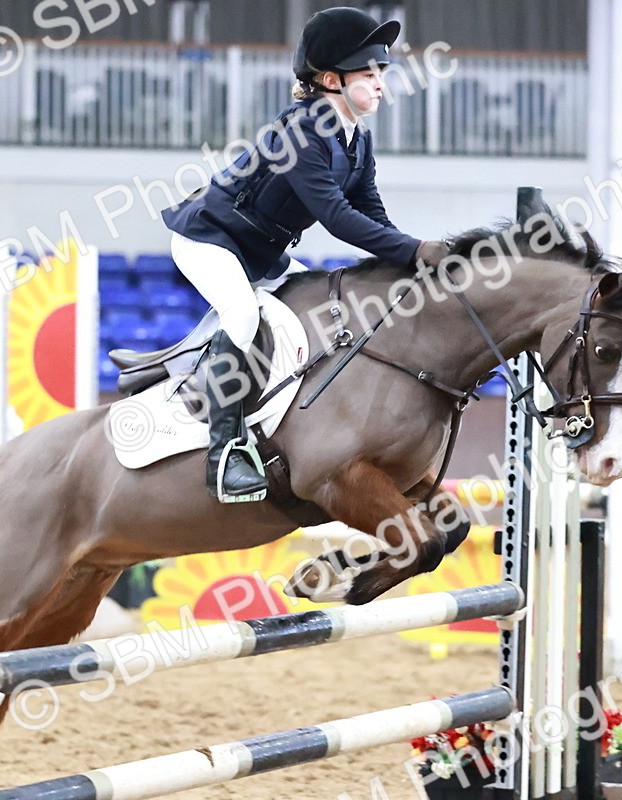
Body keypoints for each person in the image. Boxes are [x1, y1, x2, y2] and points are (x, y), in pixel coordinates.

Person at [161, 6, 451, 503]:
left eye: (382, 70)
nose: (381, 81)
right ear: (330, 79)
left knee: (310, 304)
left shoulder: (356, 137)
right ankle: (223, 455)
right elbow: (337, 218)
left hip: (261, 253)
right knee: (242, 315)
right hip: (210, 240)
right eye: (369, 71)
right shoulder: (302, 132)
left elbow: (371, 213)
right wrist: (417, 250)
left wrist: (412, 261)